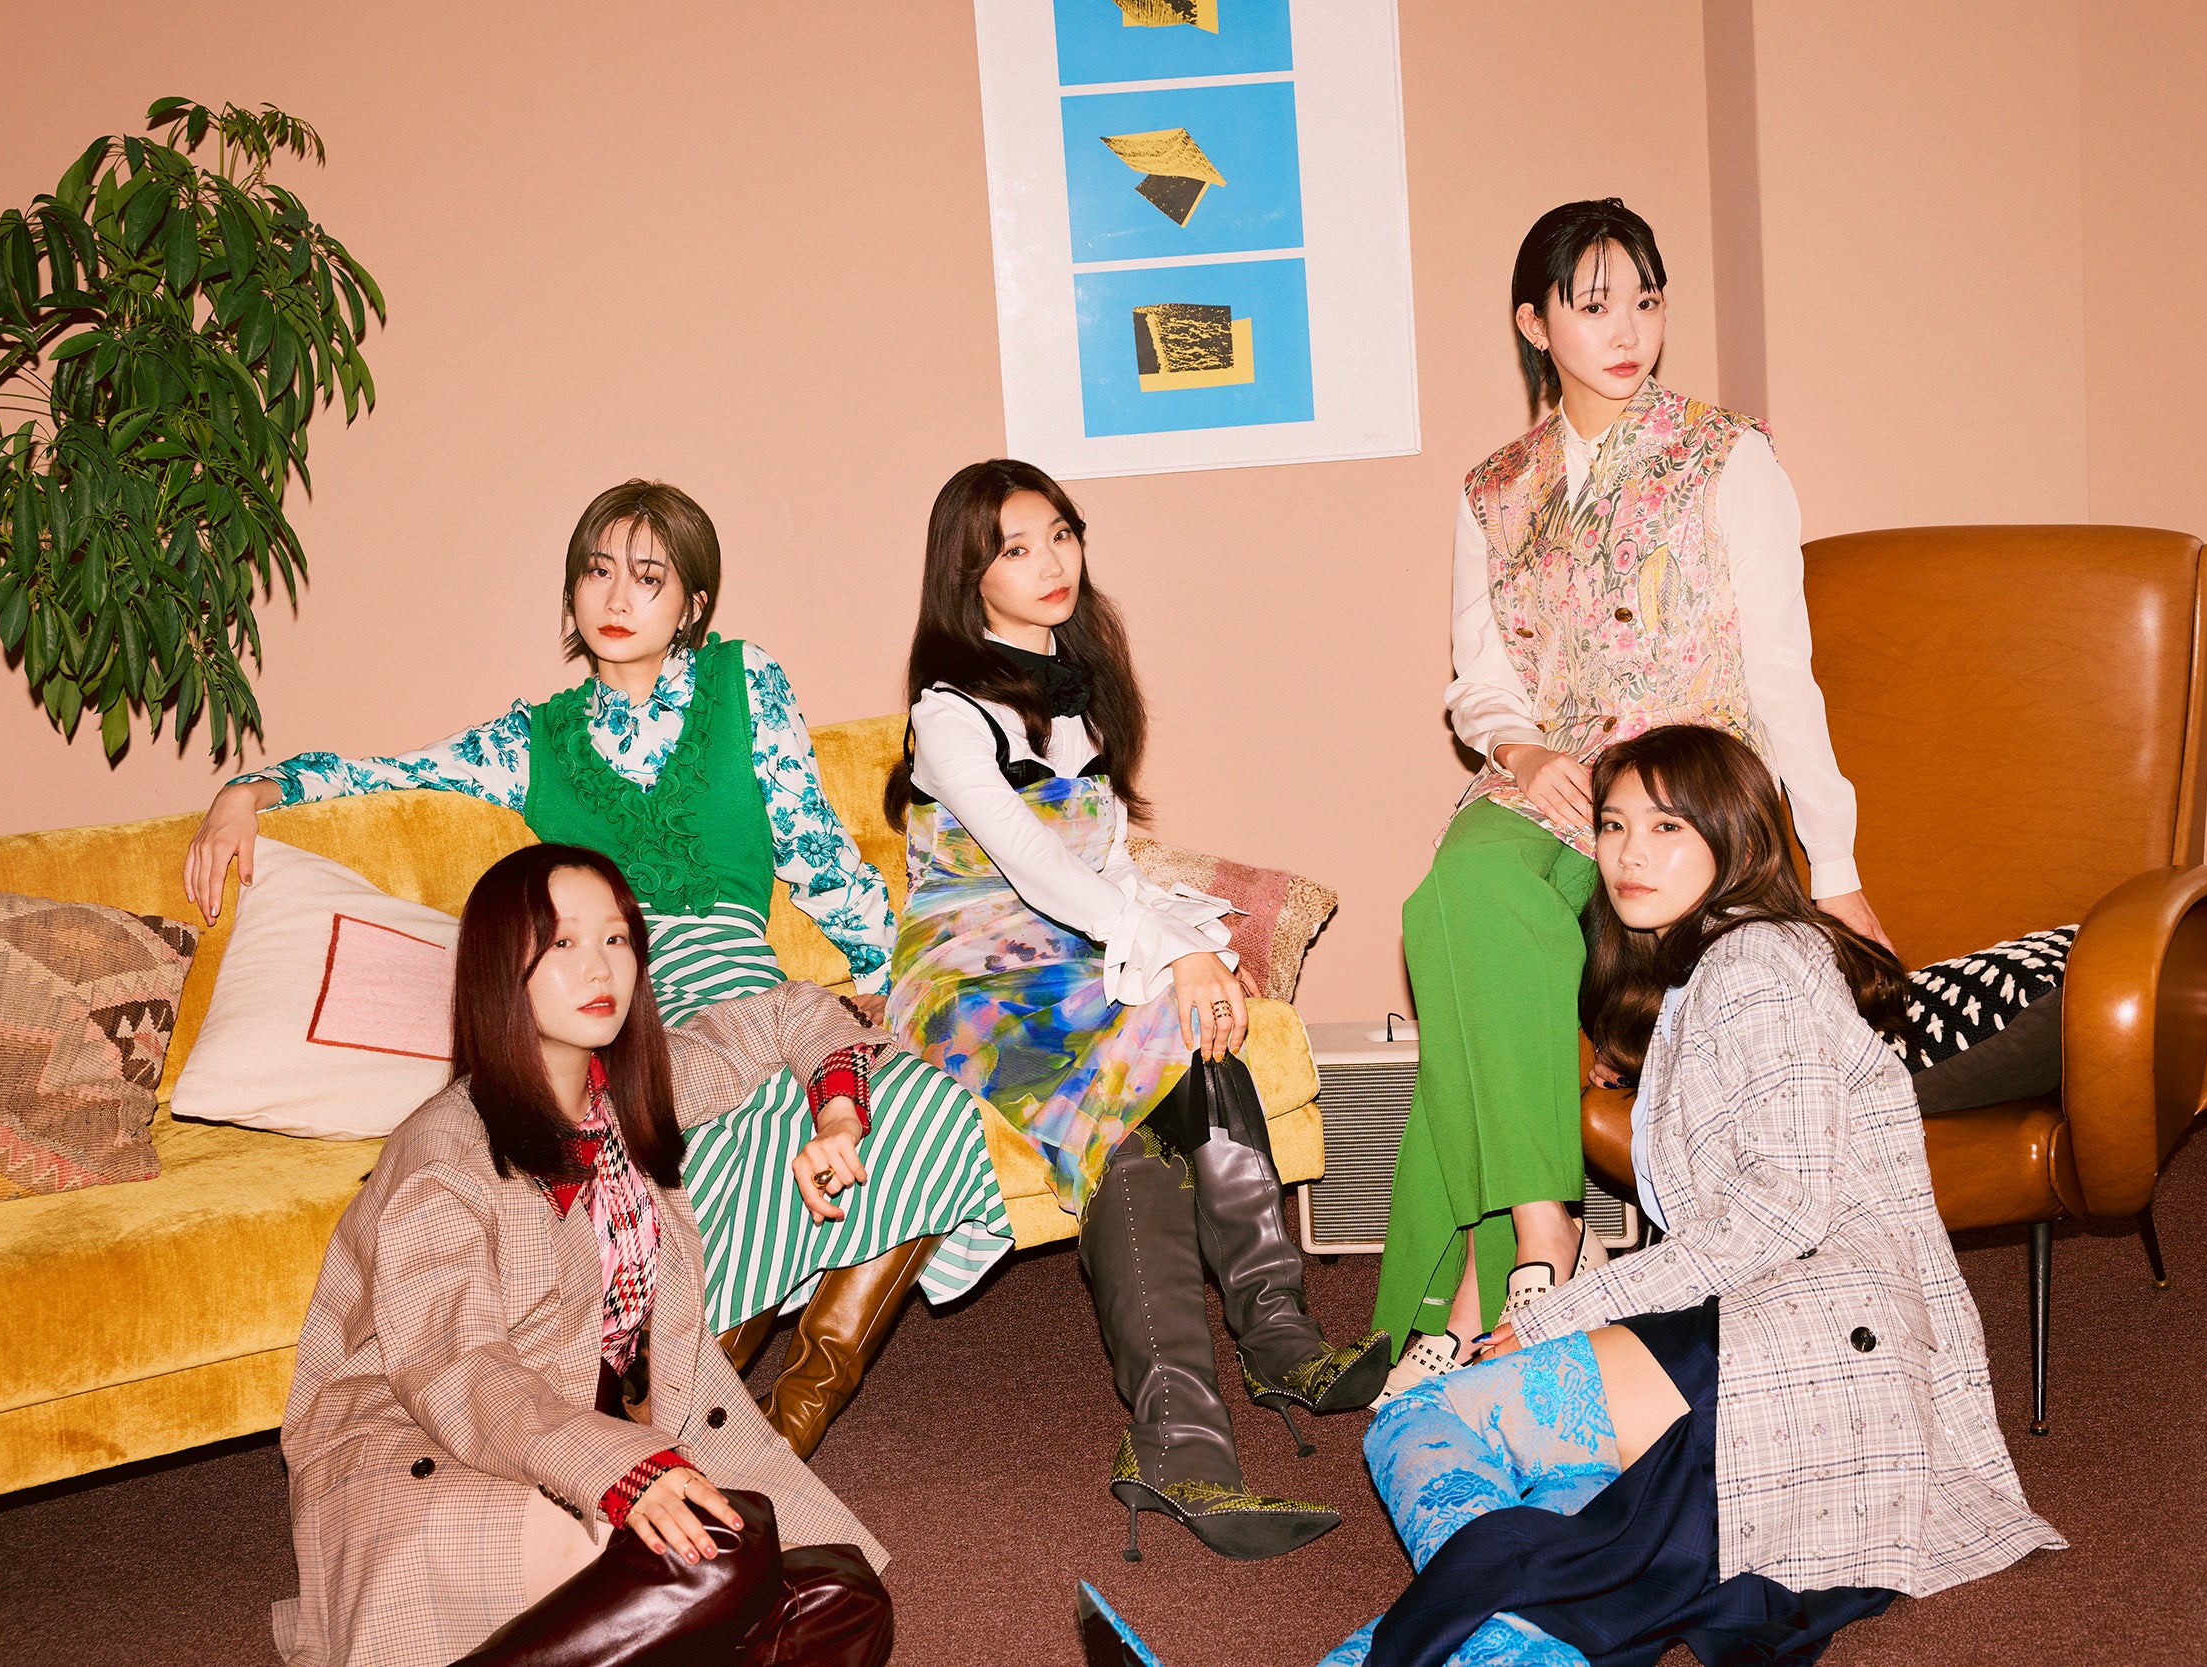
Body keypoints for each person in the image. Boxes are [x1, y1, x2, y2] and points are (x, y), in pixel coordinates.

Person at [1079, 725, 2064, 1667]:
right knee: (1562, 1513)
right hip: (1766, 1329)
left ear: (1735, 836)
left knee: (1422, 1426)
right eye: (1615, 823)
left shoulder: (1759, 965)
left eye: (1667, 825)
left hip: (1811, 1347)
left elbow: (1780, 1211)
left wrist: (1569, 1305)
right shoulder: (1721, 966)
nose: (1629, 851)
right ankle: (1516, 1632)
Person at [183, 480, 1009, 1457]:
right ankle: (682, 1432)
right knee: (728, 1142)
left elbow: (814, 844)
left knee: (920, 1100)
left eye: (649, 576)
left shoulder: (745, 683)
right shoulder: (531, 739)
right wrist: (250, 786)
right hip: (635, 1011)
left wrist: (879, 969)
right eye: (597, 570)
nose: (617, 596)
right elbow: (383, 773)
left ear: (693, 603)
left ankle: (782, 1436)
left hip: (755, 988)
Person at [1377, 197, 1888, 1400]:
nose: (1626, 333)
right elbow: (1479, 677)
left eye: (1645, 303)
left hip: (1681, 786)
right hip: (1549, 783)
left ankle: (1477, 1281)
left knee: (1469, 925)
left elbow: (1780, 669)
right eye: (1594, 305)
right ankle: (1545, 1226)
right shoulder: (1493, 488)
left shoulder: (1728, 456)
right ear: (1534, 323)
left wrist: (1837, 865)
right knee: (1456, 892)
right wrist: (1518, 754)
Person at [883, 459, 1390, 1561]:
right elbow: (1032, 865)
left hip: (1069, 947)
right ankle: (1185, 1431)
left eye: (1061, 535)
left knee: (1196, 1037)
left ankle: (1271, 1341)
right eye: (1017, 548)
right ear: (968, 576)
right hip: (974, 971)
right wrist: (1166, 955)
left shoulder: (1078, 684)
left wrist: (1194, 948)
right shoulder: (946, 715)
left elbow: (1107, 859)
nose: (1051, 562)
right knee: (1137, 1065)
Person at [272, 845, 894, 1667]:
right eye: (562, 942)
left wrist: (838, 1118)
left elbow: (793, 1012)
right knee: (722, 1556)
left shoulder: (622, 1087)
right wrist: (626, 1469)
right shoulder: (443, 1160)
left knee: (843, 1593)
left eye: (616, 938)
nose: (600, 967)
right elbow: (459, 1372)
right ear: (502, 968)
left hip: (581, 1410)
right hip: (434, 1440)